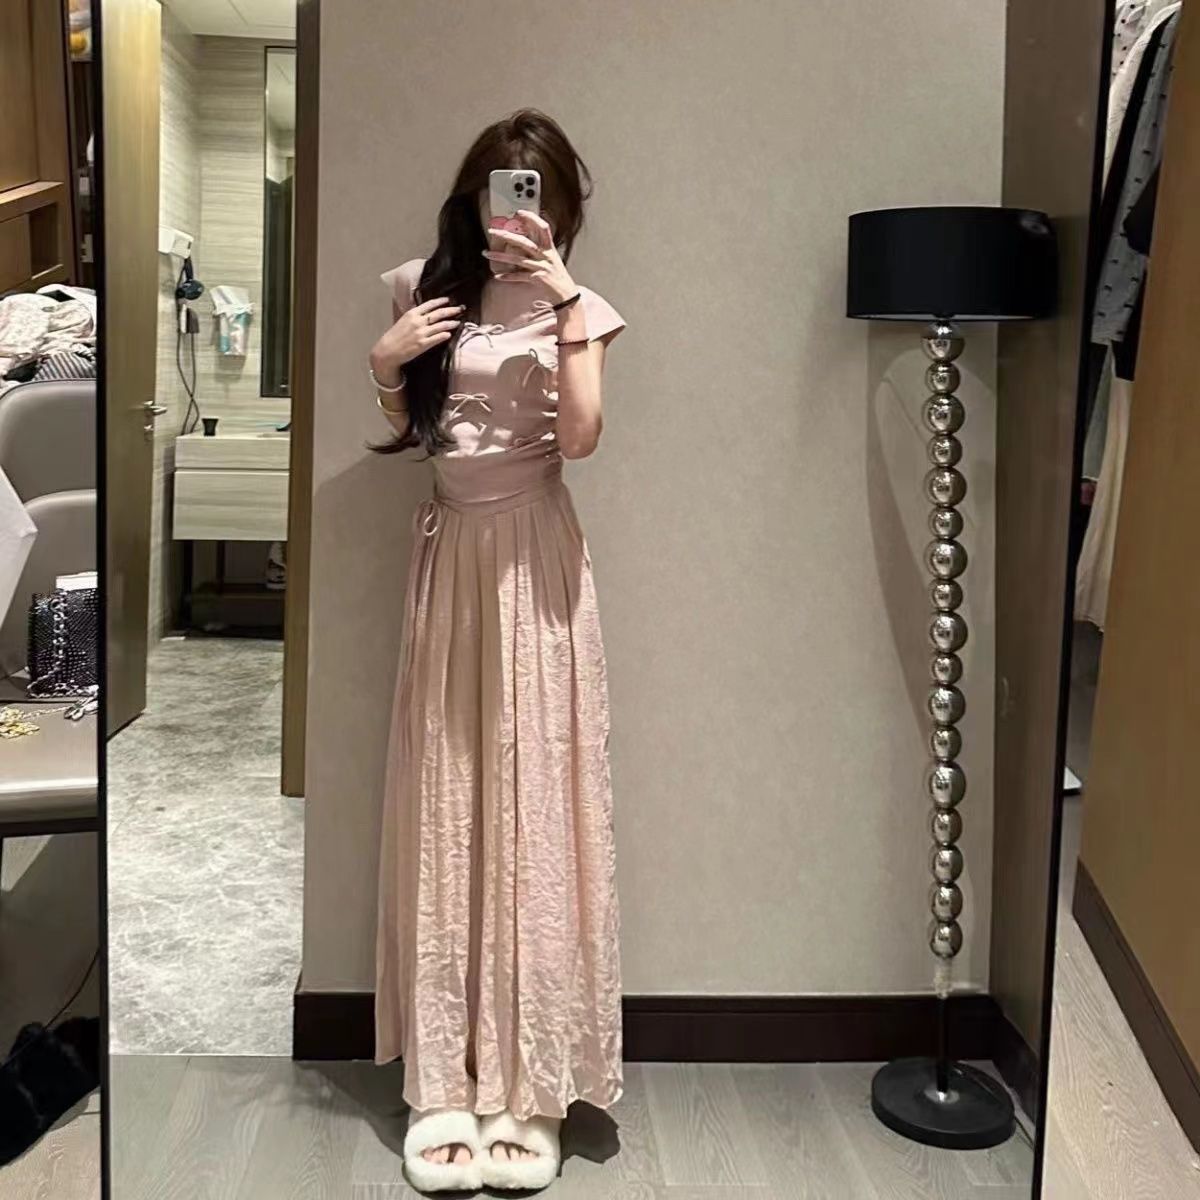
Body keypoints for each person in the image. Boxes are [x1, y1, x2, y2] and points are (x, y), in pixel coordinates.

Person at [369, 108, 626, 1194]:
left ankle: (529, 1086)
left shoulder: (582, 308)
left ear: (561, 209)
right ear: (472, 197)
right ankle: (443, 1080)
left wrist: (565, 303)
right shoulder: (418, 289)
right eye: (501, 191)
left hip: (535, 560)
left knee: (537, 802)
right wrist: (386, 364)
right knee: (448, 797)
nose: (516, 213)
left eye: (536, 195)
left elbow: (582, 438)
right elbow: (417, 431)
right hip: (451, 562)